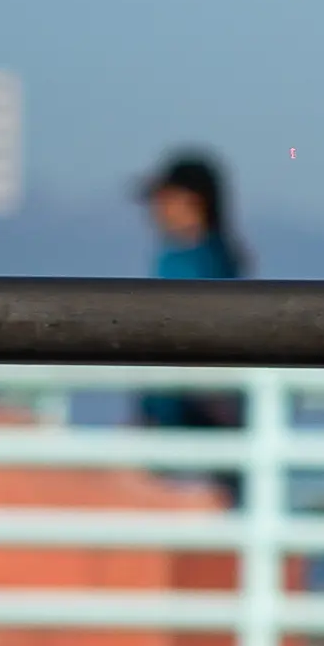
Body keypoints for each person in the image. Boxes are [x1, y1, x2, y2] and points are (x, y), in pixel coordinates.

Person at [133, 148, 249, 474]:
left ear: (193, 202)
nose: (156, 210)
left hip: (192, 423)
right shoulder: (218, 258)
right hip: (187, 421)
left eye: (166, 199)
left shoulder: (196, 261)